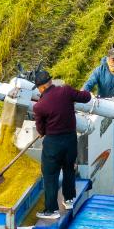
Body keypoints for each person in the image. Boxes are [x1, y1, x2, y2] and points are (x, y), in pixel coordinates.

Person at [31, 70, 92, 220]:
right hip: (70, 140)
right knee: (68, 169)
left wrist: (41, 131)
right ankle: (69, 200)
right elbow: (86, 97)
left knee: (50, 175)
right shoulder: (66, 90)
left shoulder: (39, 106)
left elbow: (41, 129)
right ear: (50, 82)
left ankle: (51, 210)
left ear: (42, 88)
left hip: (53, 143)